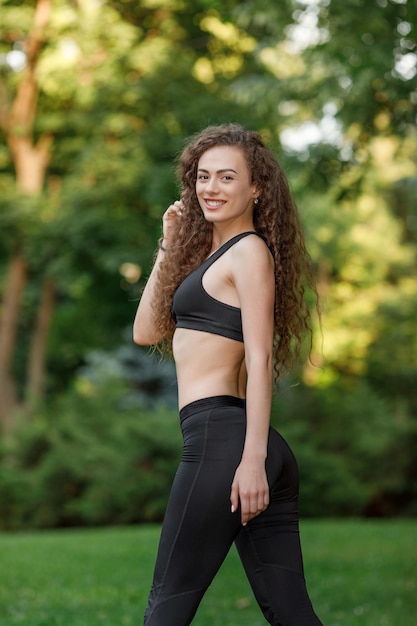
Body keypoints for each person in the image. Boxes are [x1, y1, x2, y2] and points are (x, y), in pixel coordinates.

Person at [133, 123, 323, 625]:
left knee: (167, 604)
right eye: (202, 176)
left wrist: (252, 461)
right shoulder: (209, 257)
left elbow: (260, 359)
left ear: (256, 188)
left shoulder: (248, 251)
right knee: (290, 612)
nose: (210, 188)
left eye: (226, 177)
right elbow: (146, 330)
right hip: (237, 442)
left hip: (227, 444)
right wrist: (168, 245)